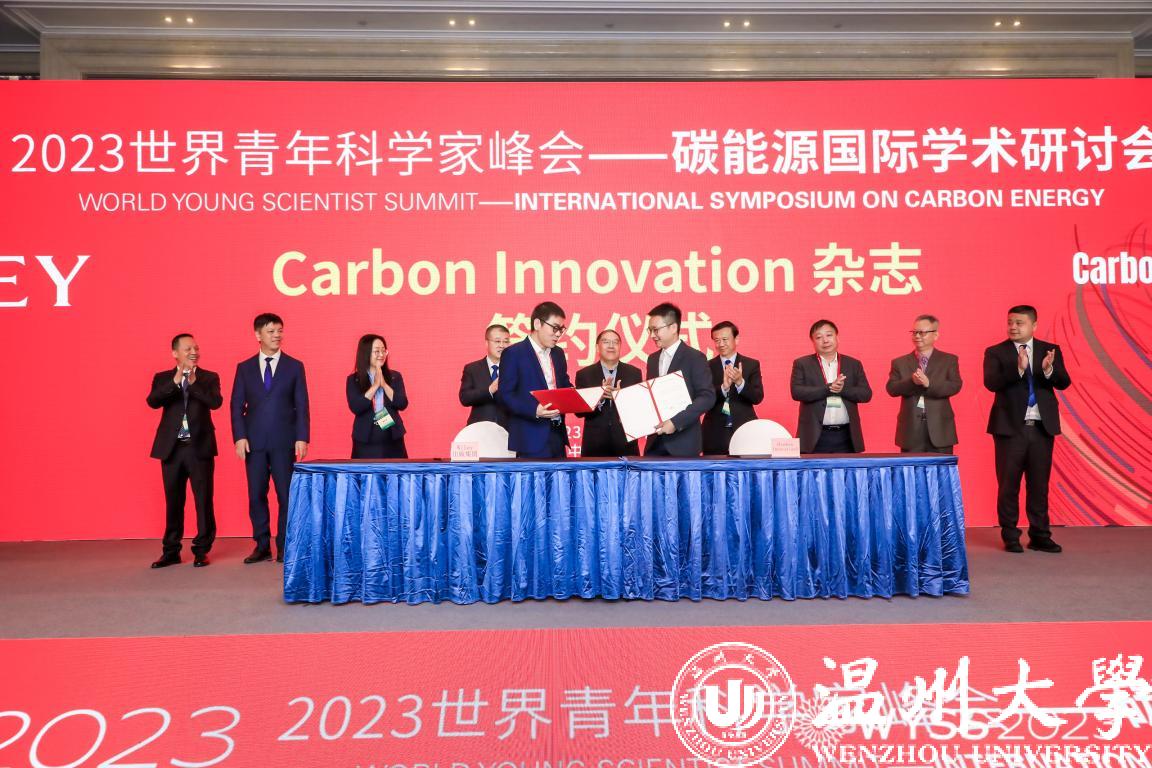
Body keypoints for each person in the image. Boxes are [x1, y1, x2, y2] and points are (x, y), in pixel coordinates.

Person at [984, 305, 1072, 554]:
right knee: (1008, 486)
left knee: (1039, 485)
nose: (1013, 327)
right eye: (1010, 322)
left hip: (1042, 428)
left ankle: (1040, 535)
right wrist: (1019, 369)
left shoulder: (1049, 350)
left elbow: (1064, 382)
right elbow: (991, 383)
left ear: (1034, 325)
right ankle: (1011, 536)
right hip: (1010, 429)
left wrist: (1048, 370)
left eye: (1019, 323)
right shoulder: (996, 352)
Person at [230, 312, 310, 564]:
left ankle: (285, 546)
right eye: (271, 331)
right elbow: (236, 406)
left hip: (284, 441)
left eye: (279, 331)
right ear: (258, 335)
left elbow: (302, 405)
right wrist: (239, 436)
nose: (277, 336)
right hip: (253, 443)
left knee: (286, 495)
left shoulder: (294, 366)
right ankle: (261, 545)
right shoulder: (244, 368)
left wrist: (302, 437)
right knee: (256, 495)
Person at [146, 334, 221, 568]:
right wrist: (176, 381)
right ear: (175, 353)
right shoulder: (162, 378)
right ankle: (171, 551)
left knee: (203, 500)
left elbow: (215, 402)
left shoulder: (209, 377)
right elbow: (153, 401)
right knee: (173, 501)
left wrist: (194, 383)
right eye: (188, 348)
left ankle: (201, 550)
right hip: (172, 449)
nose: (194, 352)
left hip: (199, 448)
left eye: (196, 348)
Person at [496, 302, 573, 458]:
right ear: (537, 324)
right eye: (555, 328)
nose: (558, 334)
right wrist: (534, 410)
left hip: (557, 434)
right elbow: (505, 395)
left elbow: (565, 386)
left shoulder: (558, 353)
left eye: (561, 329)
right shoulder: (514, 353)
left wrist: (589, 396)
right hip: (530, 438)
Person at [644, 303, 716, 457]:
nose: (652, 335)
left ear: (673, 328)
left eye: (656, 330)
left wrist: (675, 422)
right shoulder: (652, 359)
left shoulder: (694, 357)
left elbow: (707, 397)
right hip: (654, 443)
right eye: (650, 330)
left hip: (684, 443)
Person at [790, 319, 872, 453]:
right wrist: (828, 388)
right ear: (812, 342)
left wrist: (842, 390)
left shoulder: (853, 364)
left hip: (847, 436)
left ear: (837, 337)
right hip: (815, 436)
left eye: (829, 335)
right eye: (819, 337)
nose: (825, 340)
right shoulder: (802, 364)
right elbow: (797, 392)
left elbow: (866, 394)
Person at [885, 314, 962, 454]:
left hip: (940, 429)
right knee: (911, 468)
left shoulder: (949, 360)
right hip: (910, 430)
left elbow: (955, 386)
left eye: (922, 332)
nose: (917, 336)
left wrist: (929, 384)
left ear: (936, 335)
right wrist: (911, 382)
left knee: (940, 468)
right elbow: (891, 388)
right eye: (914, 332)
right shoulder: (899, 362)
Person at [575, 329, 642, 457]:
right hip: (594, 446)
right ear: (597, 347)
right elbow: (579, 412)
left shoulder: (634, 373)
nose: (611, 346)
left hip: (626, 445)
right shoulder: (584, 374)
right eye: (606, 342)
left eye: (615, 342)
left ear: (620, 347)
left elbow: (639, 409)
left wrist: (621, 398)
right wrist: (598, 397)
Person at [701, 321, 765, 455]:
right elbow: (703, 398)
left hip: (744, 429)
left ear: (736, 339)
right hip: (714, 432)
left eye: (725, 339)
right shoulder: (706, 366)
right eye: (717, 340)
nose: (721, 344)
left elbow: (757, 397)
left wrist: (740, 382)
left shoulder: (751, 364)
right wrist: (723, 388)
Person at [346, 334, 408, 459]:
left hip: (391, 435)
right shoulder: (353, 379)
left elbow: (402, 403)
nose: (381, 354)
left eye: (383, 351)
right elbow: (356, 407)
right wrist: (375, 386)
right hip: (366, 437)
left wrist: (384, 384)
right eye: (377, 351)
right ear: (366, 354)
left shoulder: (395, 376)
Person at [458, 324, 511, 428]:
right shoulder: (472, 369)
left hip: (509, 429)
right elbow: (465, 398)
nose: (502, 345)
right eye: (497, 341)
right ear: (487, 343)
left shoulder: (515, 368)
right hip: (480, 429)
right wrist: (490, 390)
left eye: (506, 342)